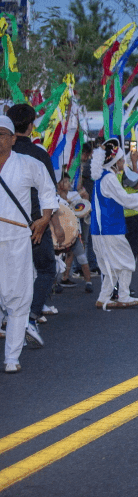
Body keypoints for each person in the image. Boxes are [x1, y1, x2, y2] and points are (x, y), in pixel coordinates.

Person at [0, 115, 57, 372]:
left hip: (16, 239)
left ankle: (12, 357)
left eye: (3, 134)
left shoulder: (28, 164)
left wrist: (45, 219)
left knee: (18, 296)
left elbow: (47, 189)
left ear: (13, 138)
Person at [7, 104, 58, 325]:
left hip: (8, 222)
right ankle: (30, 315)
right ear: (31, 126)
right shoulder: (38, 154)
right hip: (37, 223)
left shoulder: (6, 154)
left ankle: (9, 316)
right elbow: (50, 193)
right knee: (46, 269)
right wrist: (53, 224)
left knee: (9, 271)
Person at [90, 138, 138, 310]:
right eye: (121, 160)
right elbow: (125, 199)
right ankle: (123, 295)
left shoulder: (102, 176)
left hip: (101, 229)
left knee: (112, 265)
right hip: (110, 228)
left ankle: (104, 298)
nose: (123, 162)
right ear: (114, 161)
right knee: (126, 261)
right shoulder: (109, 178)